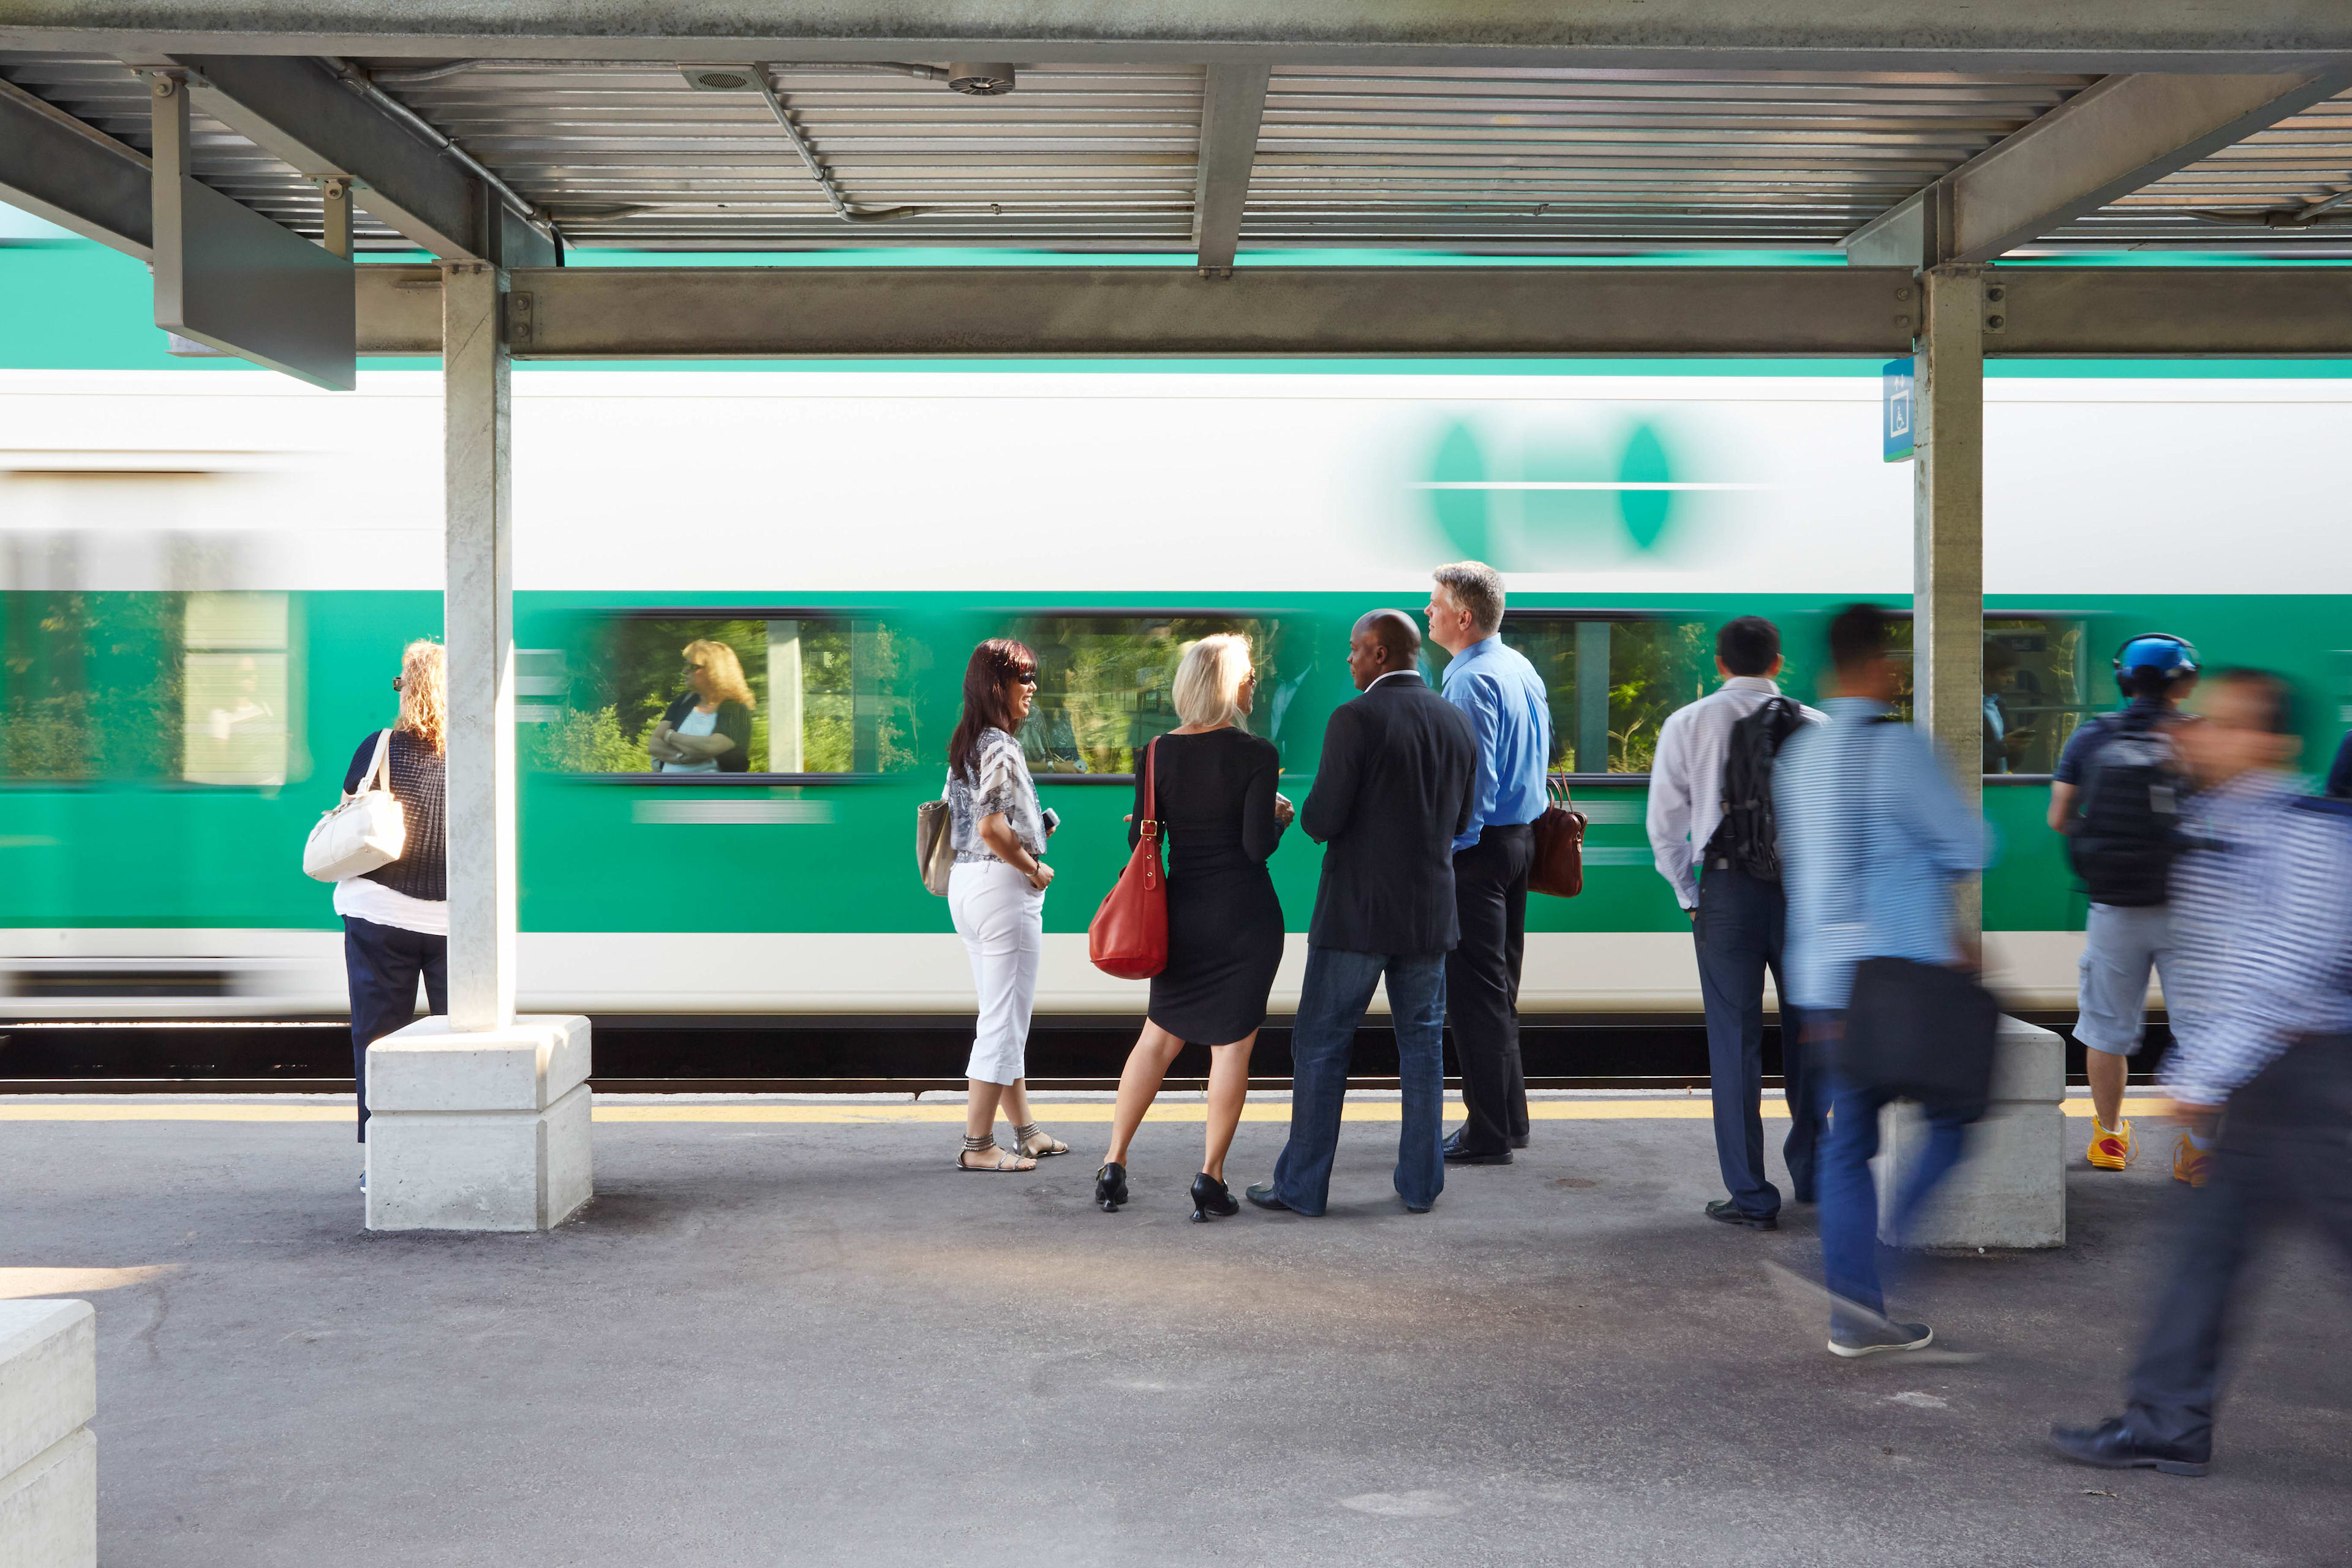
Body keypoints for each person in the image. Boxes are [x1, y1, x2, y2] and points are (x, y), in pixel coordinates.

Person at [2051, 669, 2348, 1478]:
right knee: (2203, 1250)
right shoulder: (2212, 824)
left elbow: (2288, 966)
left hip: (2323, 1082)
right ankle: (2165, 1424)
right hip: (2266, 1085)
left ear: (2273, 744)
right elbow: (2226, 966)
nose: (2198, 732)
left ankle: (2166, 1420)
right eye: (2203, 719)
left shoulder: (2311, 834)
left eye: (2224, 723)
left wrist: (2202, 1073)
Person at [1774, 603, 1987, 1357]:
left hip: (1824, 983)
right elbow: (1971, 846)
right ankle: (1887, 1262)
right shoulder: (1899, 751)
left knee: (1847, 1145)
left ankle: (1851, 1313)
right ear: (1874, 664)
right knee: (1957, 1120)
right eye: (1891, 657)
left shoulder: (1799, 758)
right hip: (1900, 979)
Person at [1245, 611, 1476, 1218]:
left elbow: (1322, 819)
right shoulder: (1456, 720)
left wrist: (1303, 812)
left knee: (1321, 1044)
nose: (1347, 660)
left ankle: (1302, 1186)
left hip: (1355, 916)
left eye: (1353, 650)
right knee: (1422, 1048)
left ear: (1378, 653)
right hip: (1429, 916)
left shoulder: (1355, 719)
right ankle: (1422, 1184)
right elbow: (1461, 821)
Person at [1093, 635, 1294, 1221]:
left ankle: (1113, 1163)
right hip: (1243, 919)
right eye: (1250, 674)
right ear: (1229, 684)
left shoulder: (1155, 754)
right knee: (1231, 1049)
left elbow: (1140, 842)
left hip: (1180, 917)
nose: (1255, 683)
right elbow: (1257, 848)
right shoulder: (1257, 753)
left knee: (1156, 1038)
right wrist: (1278, 817)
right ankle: (1210, 1179)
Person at [1646, 614, 1826, 1229]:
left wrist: (1690, 894)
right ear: (1778, 664)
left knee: (1735, 1043)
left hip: (1725, 894)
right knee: (1811, 1037)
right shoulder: (1818, 727)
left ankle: (1751, 1196)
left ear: (1719, 664)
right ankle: (1816, 1174)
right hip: (1804, 897)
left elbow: (1665, 824)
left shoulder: (1688, 723)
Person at [2047, 634, 2199, 1177]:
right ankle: (2198, 1152)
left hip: (2114, 906)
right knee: (2200, 1028)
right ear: (2185, 682)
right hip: (2189, 906)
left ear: (2123, 679)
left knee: (2108, 1028)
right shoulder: (2197, 738)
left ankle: (2110, 1141)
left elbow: (2058, 817)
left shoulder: (2092, 736)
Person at [1423, 562, 1552, 1166]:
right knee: (1500, 989)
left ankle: (1487, 1132)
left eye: (1435, 602)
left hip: (1481, 852)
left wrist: (1451, 851)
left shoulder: (1470, 682)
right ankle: (1511, 1118)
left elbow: (1474, 782)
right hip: (1521, 841)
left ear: (1464, 617)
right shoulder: (1519, 666)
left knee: (1474, 999)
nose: (1428, 611)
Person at [943, 638, 1067, 1172]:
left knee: (1004, 1015)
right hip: (1001, 891)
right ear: (998, 685)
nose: (1033, 688)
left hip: (966, 886)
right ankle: (978, 1146)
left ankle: (1026, 1130)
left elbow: (971, 823)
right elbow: (994, 828)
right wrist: (1034, 866)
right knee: (1002, 1021)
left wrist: (1035, 831)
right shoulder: (1000, 745)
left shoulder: (966, 743)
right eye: (1025, 677)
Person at [338, 639, 450, 1185]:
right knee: (465, 1040)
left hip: (377, 912)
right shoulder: (478, 751)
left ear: (406, 688)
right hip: (459, 921)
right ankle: (462, 1148)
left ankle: (381, 1162)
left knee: (378, 1038)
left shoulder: (377, 747)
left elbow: (350, 811)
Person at [649, 638, 755, 773]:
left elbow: (710, 747)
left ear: (716, 671)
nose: (684, 671)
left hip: (712, 793)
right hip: (670, 793)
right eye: (686, 665)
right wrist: (681, 757)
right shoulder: (683, 701)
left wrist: (670, 736)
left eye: (693, 667)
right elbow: (654, 744)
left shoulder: (736, 709)